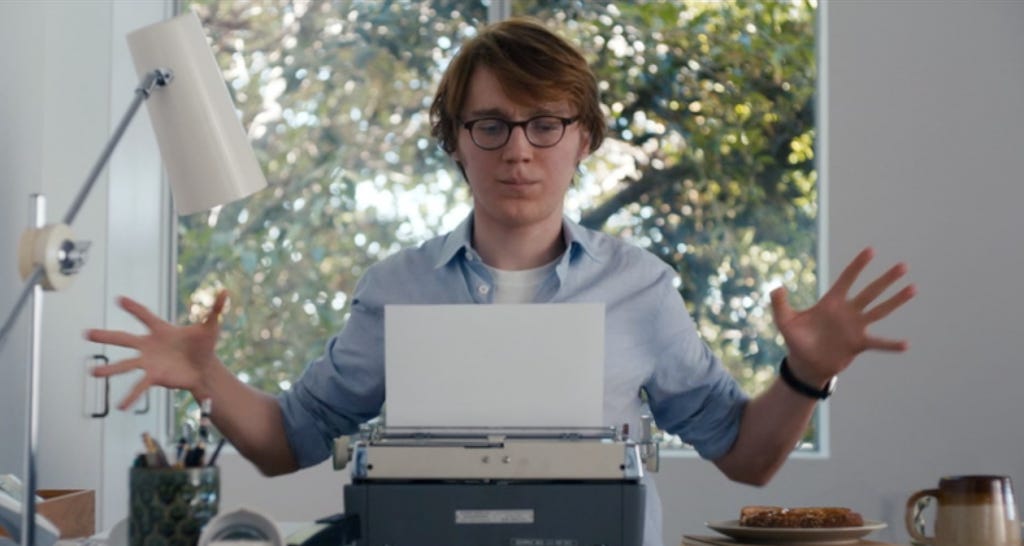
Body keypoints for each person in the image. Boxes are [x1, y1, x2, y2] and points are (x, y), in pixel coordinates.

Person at [87, 17, 915, 546]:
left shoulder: (641, 288)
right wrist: (206, 376)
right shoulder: (397, 287)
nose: (518, 150)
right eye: (490, 125)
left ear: (582, 138)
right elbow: (285, 444)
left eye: (544, 123)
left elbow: (746, 458)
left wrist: (808, 373)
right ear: (455, 141)